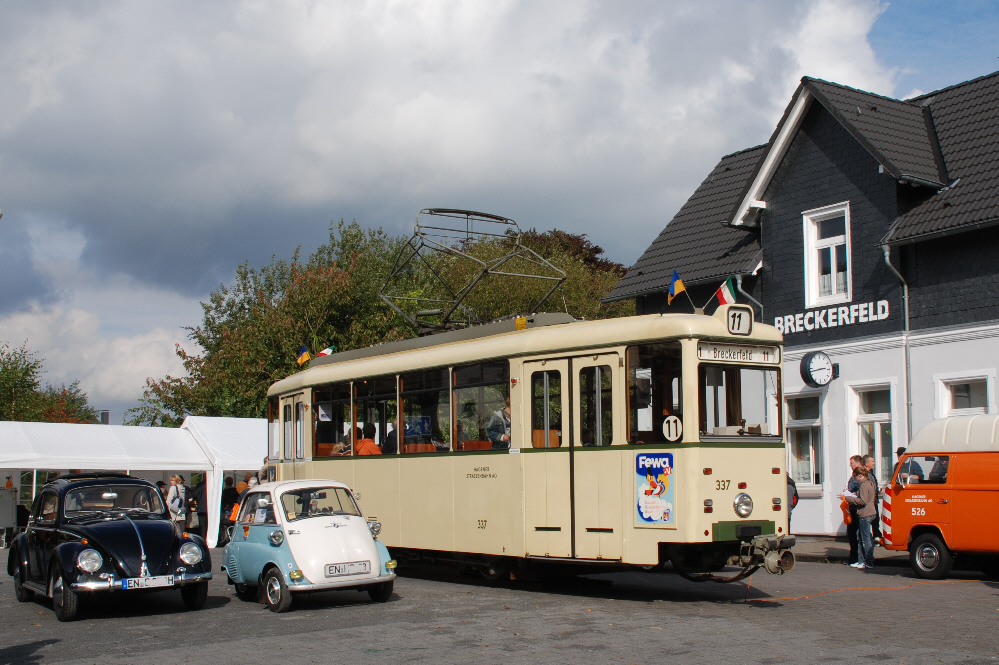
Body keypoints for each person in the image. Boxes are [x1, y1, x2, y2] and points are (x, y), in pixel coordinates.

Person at [840, 466, 877, 570]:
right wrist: (855, 494)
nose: (855, 480)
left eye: (856, 477)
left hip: (865, 514)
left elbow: (863, 501)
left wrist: (849, 498)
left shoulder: (864, 484)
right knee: (862, 536)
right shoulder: (869, 482)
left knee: (864, 538)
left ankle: (868, 561)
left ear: (860, 476)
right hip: (869, 513)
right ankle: (862, 561)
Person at [845, 455, 863, 565]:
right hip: (851, 507)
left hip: (859, 508)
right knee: (851, 534)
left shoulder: (863, 476)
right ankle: (853, 558)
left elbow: (863, 491)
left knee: (861, 535)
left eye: (851, 463)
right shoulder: (853, 476)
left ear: (857, 463)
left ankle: (860, 559)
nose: (850, 465)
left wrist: (852, 494)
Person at [863, 454, 883, 545]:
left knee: (876, 519)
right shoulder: (864, 474)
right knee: (871, 520)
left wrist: (877, 490)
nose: (874, 463)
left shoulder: (871, 473)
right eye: (872, 461)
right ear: (866, 464)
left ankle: (877, 537)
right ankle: (874, 538)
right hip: (869, 502)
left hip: (874, 501)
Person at [219, 476, 240, 545]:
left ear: (225, 483)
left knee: (223, 524)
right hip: (234, 510)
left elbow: (222, 502)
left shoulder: (224, 492)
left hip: (226, 510)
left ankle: (224, 537)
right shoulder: (236, 491)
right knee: (233, 524)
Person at [190, 473, 208, 539]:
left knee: (202, 526)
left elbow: (195, 494)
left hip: (202, 508)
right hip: (211, 509)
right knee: (210, 526)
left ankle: (203, 539)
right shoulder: (214, 484)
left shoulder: (200, 484)